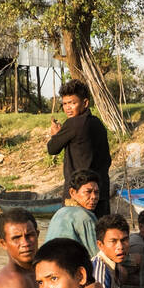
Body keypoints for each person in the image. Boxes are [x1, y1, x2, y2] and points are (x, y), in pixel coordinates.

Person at [46, 79, 112, 218]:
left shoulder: (74, 123)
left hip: (79, 194)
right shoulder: (97, 123)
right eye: (65, 104)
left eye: (72, 103)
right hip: (100, 191)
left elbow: (52, 148)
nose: (68, 108)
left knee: (74, 235)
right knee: (101, 232)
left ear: (85, 103)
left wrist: (55, 135)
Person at [45, 170, 99, 249]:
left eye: (97, 192)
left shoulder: (59, 212)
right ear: (73, 192)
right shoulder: (85, 217)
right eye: (88, 192)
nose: (94, 197)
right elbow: (96, 255)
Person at [92, 213, 131, 288]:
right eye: (113, 241)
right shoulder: (100, 273)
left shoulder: (114, 265)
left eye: (124, 240)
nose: (120, 246)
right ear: (100, 245)